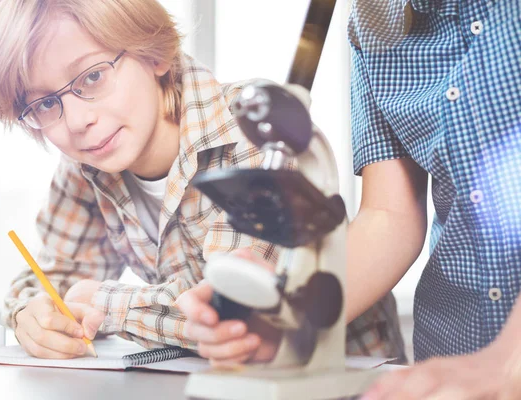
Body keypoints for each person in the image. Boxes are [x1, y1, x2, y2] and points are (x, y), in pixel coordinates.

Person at [0, 0, 407, 362]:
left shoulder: (253, 128)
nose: (76, 121)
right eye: (46, 104)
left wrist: (102, 304)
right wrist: (30, 314)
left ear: (153, 54)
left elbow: (232, 314)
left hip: (343, 377)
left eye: (92, 76)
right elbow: (55, 279)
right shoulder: (87, 165)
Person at [178, 0, 521, 397]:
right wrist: (288, 324)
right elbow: (389, 216)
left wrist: (509, 360)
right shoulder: (373, 26)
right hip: (445, 360)